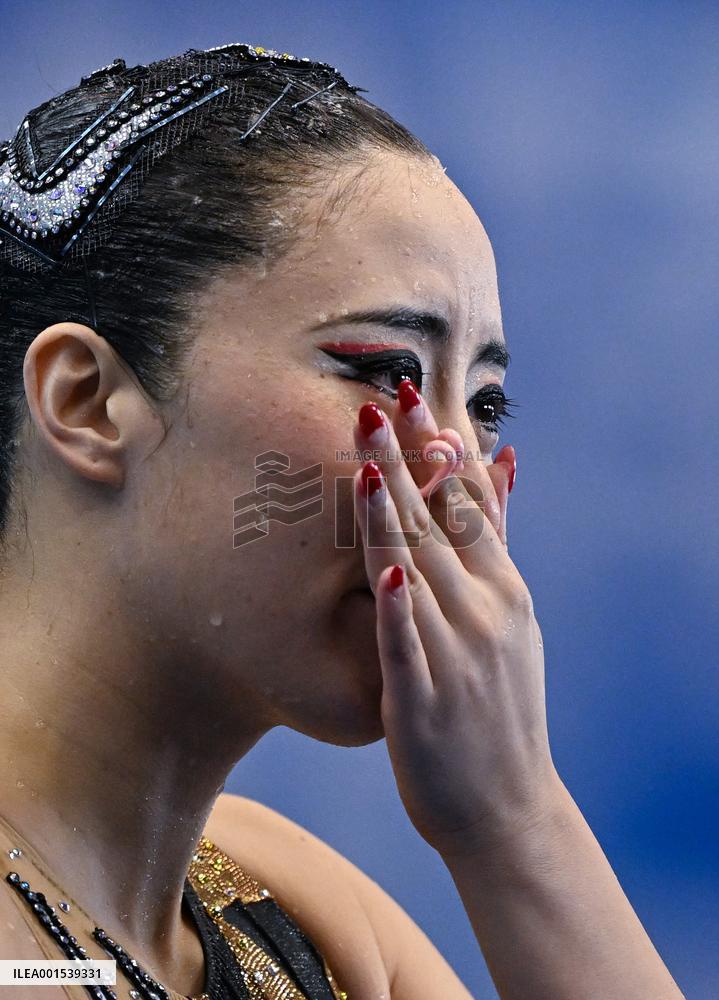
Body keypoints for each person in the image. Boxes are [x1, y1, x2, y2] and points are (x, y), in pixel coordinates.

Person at [0, 42, 684, 1000]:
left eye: (485, 406)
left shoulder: (306, 909)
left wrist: (513, 817)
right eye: (386, 373)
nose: (452, 473)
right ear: (86, 402)